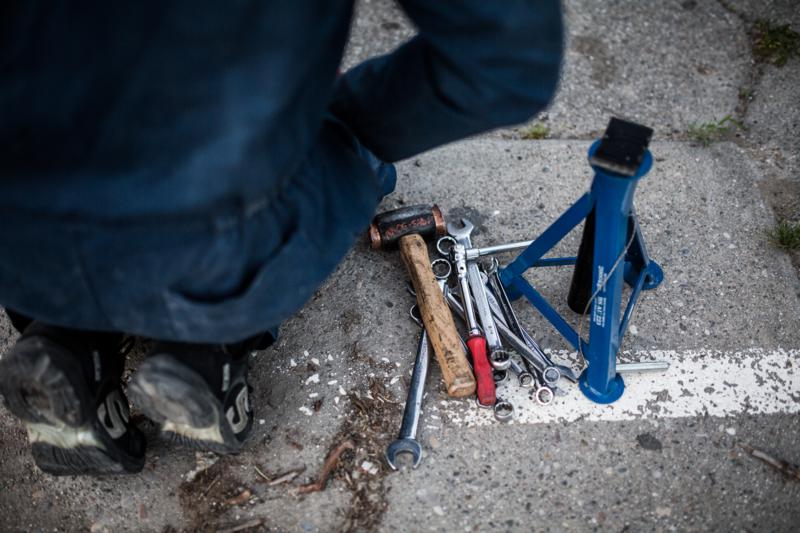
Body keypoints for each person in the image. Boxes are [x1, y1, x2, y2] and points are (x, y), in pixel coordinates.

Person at [0, 1, 563, 476]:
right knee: (350, 159)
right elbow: (507, 61)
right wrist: (340, 121)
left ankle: (63, 342)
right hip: (204, 246)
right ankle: (206, 355)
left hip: (19, 245)